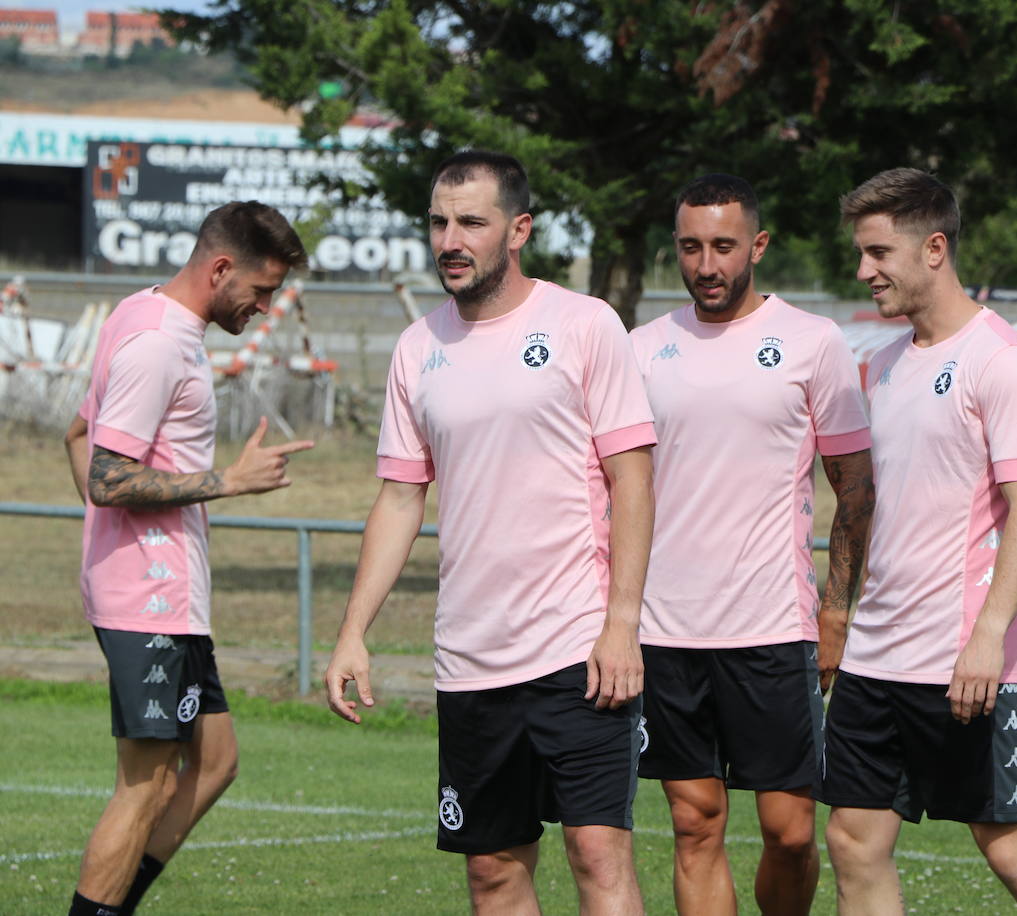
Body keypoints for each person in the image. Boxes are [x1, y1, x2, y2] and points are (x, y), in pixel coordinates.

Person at [323, 150, 656, 915]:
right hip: (471, 659)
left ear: (519, 230)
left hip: (579, 648)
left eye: (472, 221)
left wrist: (623, 625)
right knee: (493, 875)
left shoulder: (583, 324)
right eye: (439, 221)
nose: (451, 238)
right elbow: (401, 500)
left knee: (598, 854)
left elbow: (631, 477)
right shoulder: (417, 348)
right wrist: (353, 632)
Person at [817, 168, 1017, 916]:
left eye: (878, 253)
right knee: (853, 840)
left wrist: (989, 637)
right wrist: (836, 612)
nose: (864, 271)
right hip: (877, 657)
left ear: (934, 248)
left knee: (1012, 849)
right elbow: (869, 507)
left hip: (961, 660)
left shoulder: (999, 361)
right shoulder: (882, 366)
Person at [629, 173, 874, 915]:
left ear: (757, 246)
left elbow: (855, 489)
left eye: (724, 247)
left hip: (774, 627)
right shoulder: (640, 349)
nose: (707, 265)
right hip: (663, 632)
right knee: (694, 823)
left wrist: (836, 613)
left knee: (791, 831)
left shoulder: (811, 342)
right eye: (691, 247)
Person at [62, 201, 312, 916]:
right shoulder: (156, 343)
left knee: (216, 760)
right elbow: (109, 475)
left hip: (163, 595)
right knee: (143, 787)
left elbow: (77, 435)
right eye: (260, 292)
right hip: (150, 603)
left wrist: (108, 548)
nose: (264, 308)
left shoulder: (139, 317)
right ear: (221, 268)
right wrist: (226, 482)